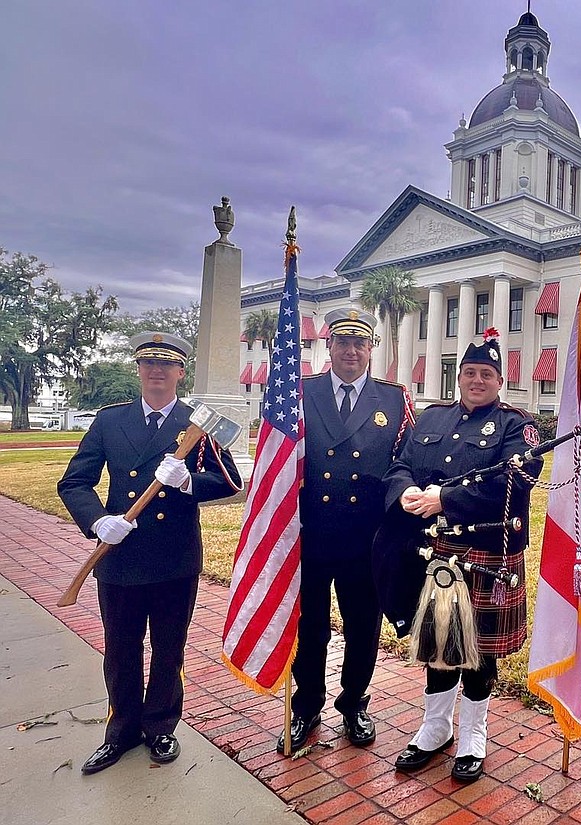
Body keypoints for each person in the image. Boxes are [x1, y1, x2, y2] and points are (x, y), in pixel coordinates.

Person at [58, 331, 241, 775]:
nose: (157, 372)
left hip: (174, 557)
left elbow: (230, 481)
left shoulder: (199, 423)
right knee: (120, 649)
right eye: (148, 364)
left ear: (181, 372)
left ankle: (161, 725)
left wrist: (186, 483)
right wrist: (99, 520)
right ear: (138, 370)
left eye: (167, 365)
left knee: (168, 647)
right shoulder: (109, 420)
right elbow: (74, 482)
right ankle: (119, 732)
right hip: (121, 555)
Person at [377, 328, 543, 783]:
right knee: (438, 643)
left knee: (480, 651)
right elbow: (401, 464)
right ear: (459, 376)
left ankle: (473, 735)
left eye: (485, 373)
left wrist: (445, 498)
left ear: (499, 380)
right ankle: (435, 728)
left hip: (487, 550)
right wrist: (406, 490)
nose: (476, 380)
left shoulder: (517, 425)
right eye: (469, 372)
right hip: (435, 549)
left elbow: (516, 480)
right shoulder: (431, 419)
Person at [280, 308, 414, 753]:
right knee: (311, 627)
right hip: (311, 534)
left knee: (362, 628)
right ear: (329, 347)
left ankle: (355, 702)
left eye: (360, 343)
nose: (351, 351)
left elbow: (404, 462)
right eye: (342, 342)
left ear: (371, 348)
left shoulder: (395, 399)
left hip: (365, 539)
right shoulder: (300, 392)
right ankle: (307, 705)